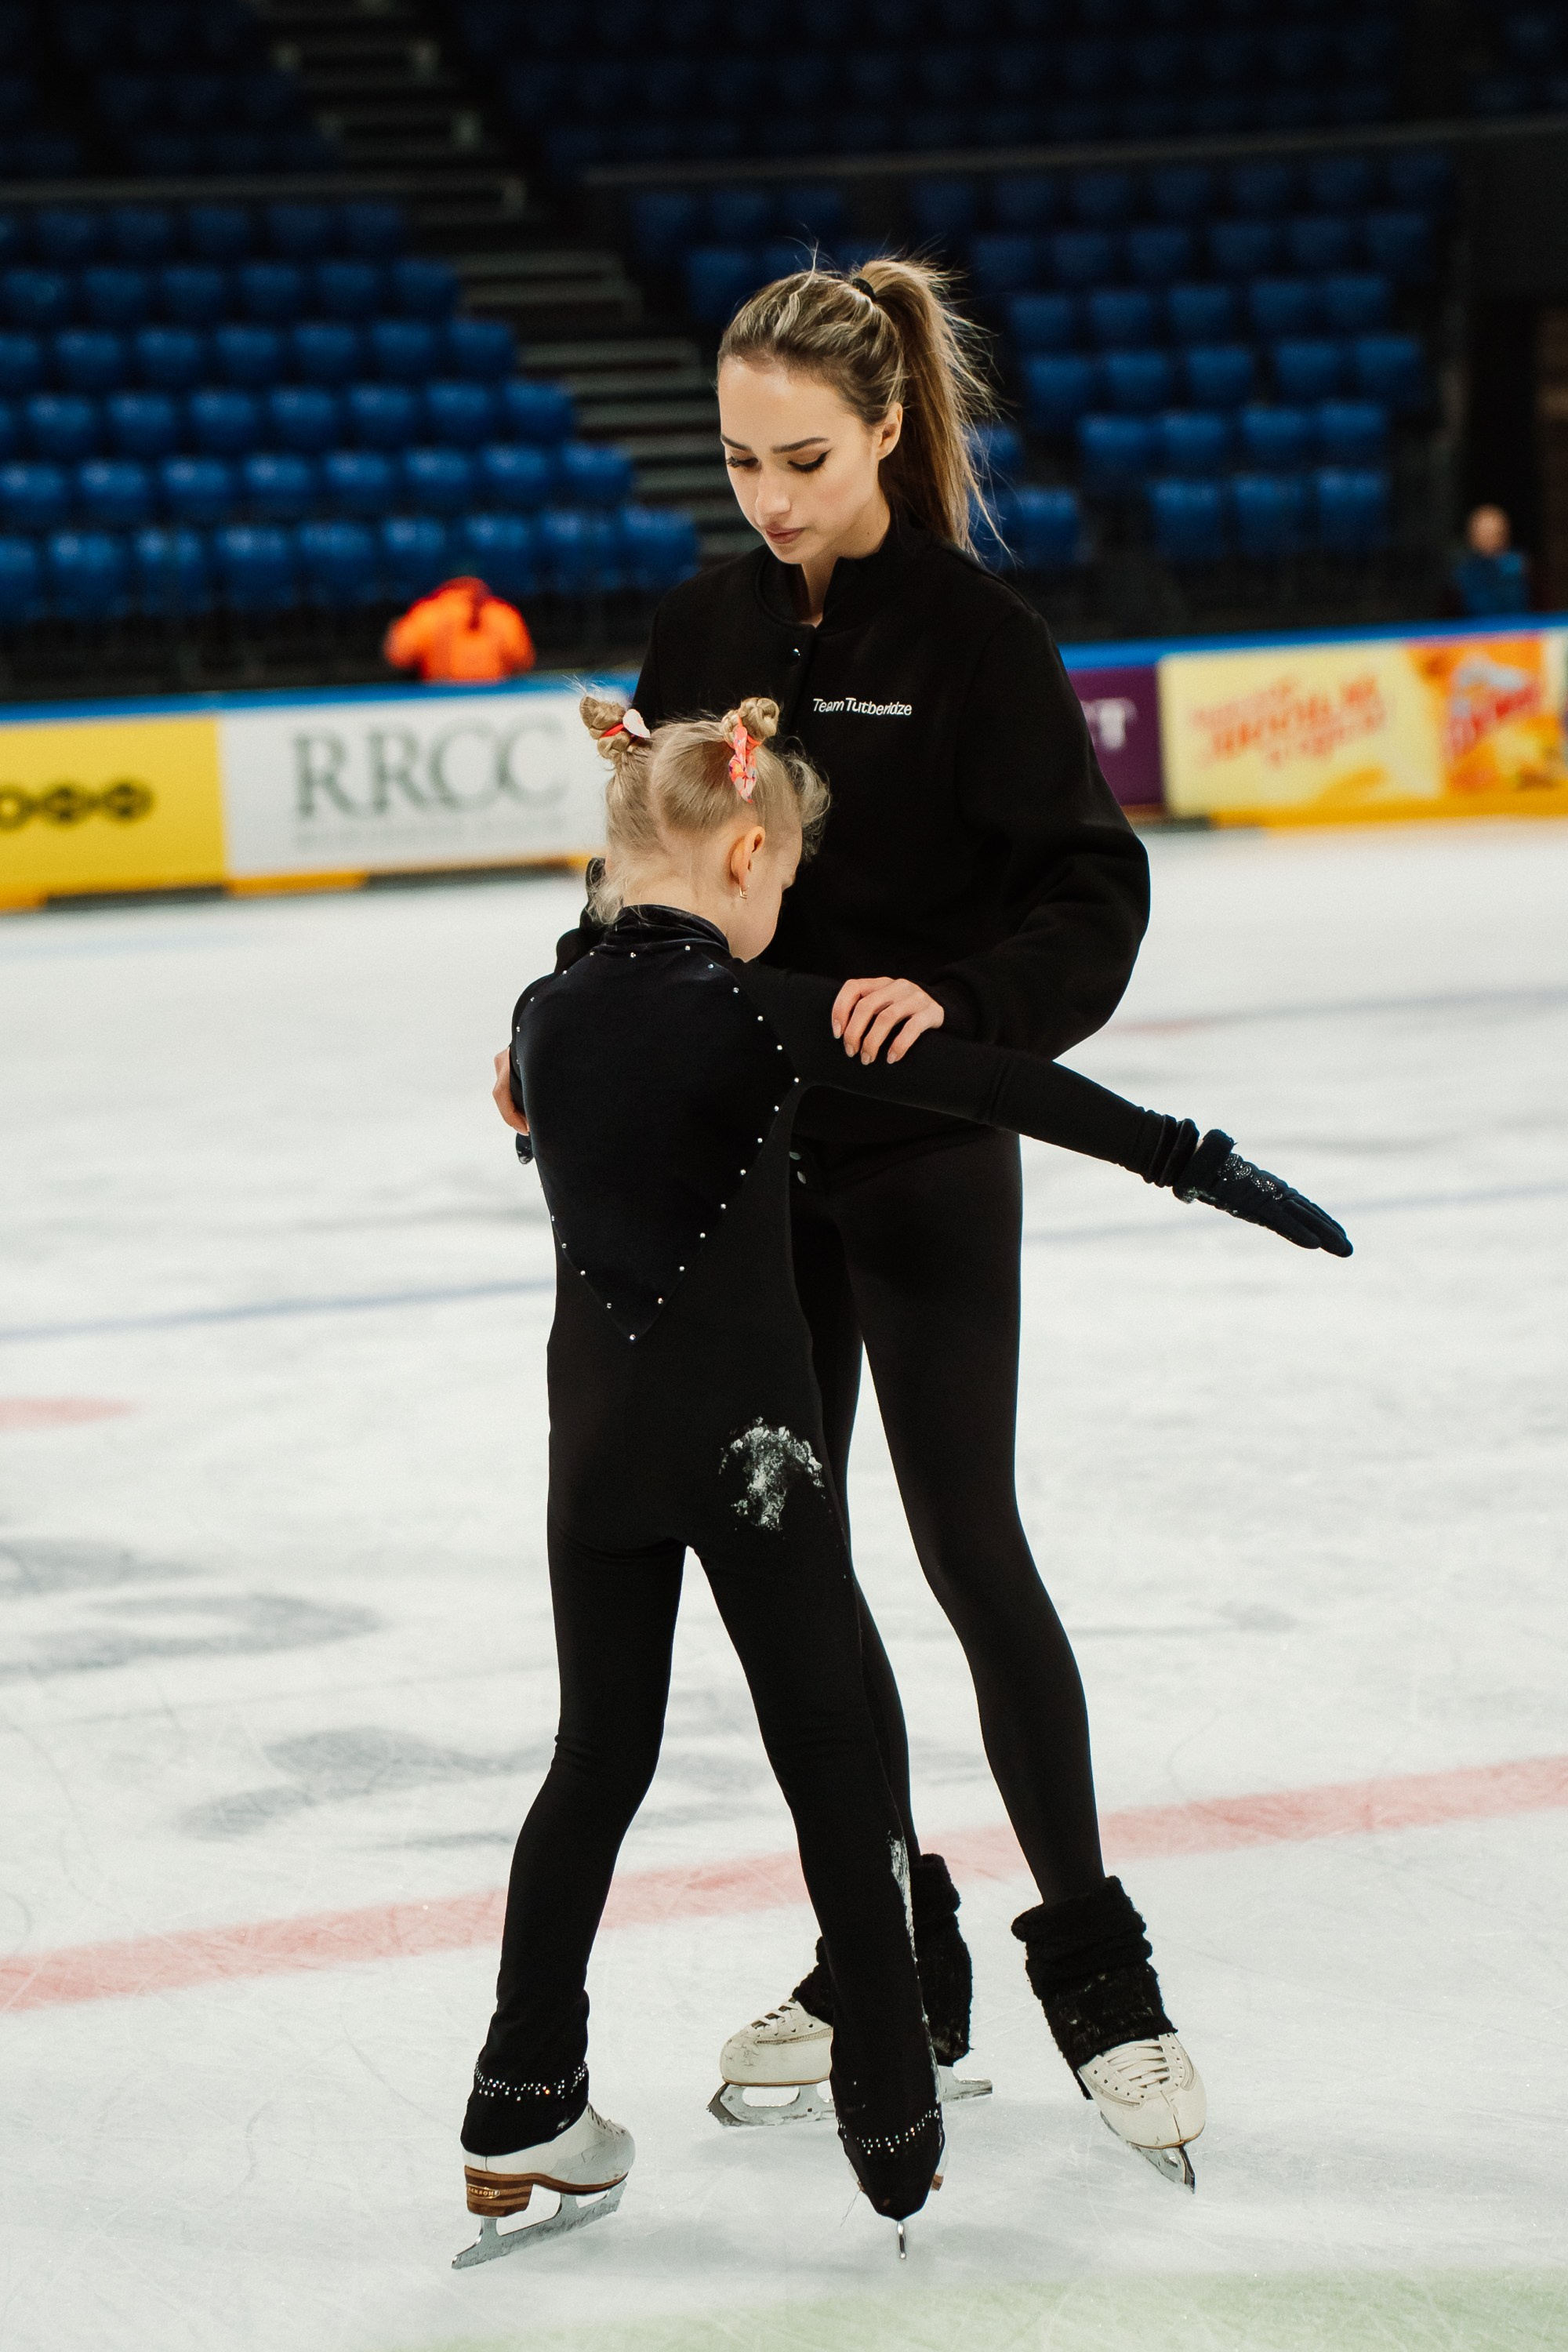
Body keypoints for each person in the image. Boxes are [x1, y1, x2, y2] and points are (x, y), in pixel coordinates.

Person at [463, 688, 1348, 2264]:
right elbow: (994, 1089)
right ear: (743, 852)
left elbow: (574, 1050)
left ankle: (522, 2096)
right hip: (753, 1459)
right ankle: (891, 2117)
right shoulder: (751, 1012)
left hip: (590, 1461)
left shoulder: (540, 1020)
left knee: (592, 1761)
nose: (782, 905)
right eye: (783, 878)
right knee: (827, 1757)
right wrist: (1199, 1161)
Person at [550, 255, 1210, 2187]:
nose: (767, 494)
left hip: (919, 1160)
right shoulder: (699, 620)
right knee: (798, 1572)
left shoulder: (979, 640)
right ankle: (891, 1953)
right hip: (749, 1171)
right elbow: (650, 867)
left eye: (803, 458)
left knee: (964, 1544)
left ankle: (1095, 1967)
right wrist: (571, 1017)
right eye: (741, 457)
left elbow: (1086, 889)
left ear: (889, 429)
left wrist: (969, 1006)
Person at [383, 575, 535, 682]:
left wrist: (396, 627)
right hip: (493, 697)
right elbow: (522, 661)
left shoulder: (426, 613)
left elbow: (399, 656)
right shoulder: (503, 614)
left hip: (441, 699)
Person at [1450, 506, 1532, 619]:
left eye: (1494, 532)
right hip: (1476, 631)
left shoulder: (1517, 563)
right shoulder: (1465, 571)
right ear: (1472, 537)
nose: (1489, 538)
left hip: (1517, 629)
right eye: (1483, 533)